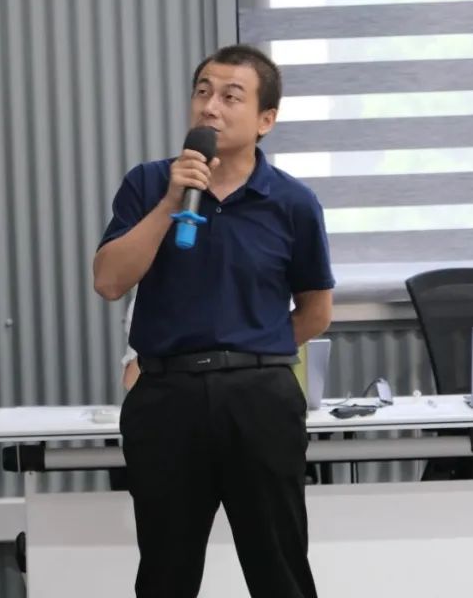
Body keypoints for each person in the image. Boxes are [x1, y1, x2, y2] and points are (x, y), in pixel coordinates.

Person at [93, 44, 334, 597]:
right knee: (165, 575)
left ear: (265, 119)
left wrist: (250, 350)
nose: (210, 107)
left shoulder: (293, 202)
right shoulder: (148, 184)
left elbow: (316, 311)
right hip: (166, 398)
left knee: (279, 571)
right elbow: (108, 282)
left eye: (230, 96)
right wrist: (172, 200)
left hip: (260, 399)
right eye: (203, 92)